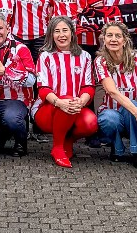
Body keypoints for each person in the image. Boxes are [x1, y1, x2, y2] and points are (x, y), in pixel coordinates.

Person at [33, 16, 97, 168]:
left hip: (74, 107)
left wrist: (82, 101)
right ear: (51, 35)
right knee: (67, 100)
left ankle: (67, 140)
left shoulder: (85, 56)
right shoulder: (45, 56)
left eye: (65, 30)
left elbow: (89, 86)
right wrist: (60, 102)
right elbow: (43, 89)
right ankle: (57, 147)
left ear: (72, 33)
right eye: (56, 31)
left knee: (91, 123)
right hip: (47, 110)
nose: (61, 35)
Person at [95, 22, 137, 167]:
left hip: (133, 111)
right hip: (112, 109)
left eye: (117, 36)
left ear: (125, 39)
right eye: (109, 35)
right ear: (104, 39)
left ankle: (136, 150)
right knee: (109, 119)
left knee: (132, 106)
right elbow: (112, 91)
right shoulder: (100, 61)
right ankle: (117, 147)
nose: (113, 39)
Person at [0, 12, 35, 156]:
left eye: (0, 28)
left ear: (7, 29)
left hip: (16, 99)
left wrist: (6, 71)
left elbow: (32, 81)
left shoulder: (20, 49)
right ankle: (0, 135)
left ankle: (21, 142)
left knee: (11, 119)